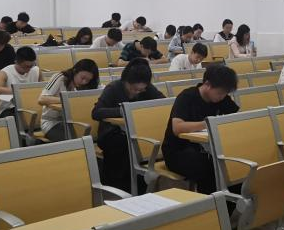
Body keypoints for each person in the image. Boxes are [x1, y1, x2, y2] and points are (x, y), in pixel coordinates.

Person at [163, 64, 239, 194]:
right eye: (220, 93)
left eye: (225, 94)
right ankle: (212, 202)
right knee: (211, 168)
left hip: (207, 150)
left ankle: (231, 202)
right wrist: (208, 124)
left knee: (233, 164)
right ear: (207, 84)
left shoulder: (221, 99)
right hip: (178, 152)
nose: (222, 97)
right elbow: (177, 127)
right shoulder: (187, 97)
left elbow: (236, 118)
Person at [92, 59, 164, 191]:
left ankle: (142, 187)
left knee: (146, 144)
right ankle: (120, 189)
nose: (137, 92)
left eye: (141, 90)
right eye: (134, 89)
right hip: (111, 133)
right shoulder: (113, 88)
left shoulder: (147, 88)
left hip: (136, 132)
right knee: (127, 146)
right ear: (125, 81)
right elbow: (96, 112)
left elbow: (162, 103)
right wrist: (123, 111)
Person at [38, 58, 99, 142]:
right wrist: (67, 100)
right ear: (75, 71)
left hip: (73, 123)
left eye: (88, 80)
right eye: (82, 78)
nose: (84, 82)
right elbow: (41, 99)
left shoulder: (86, 86)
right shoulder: (60, 78)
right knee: (76, 141)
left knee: (94, 136)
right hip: (52, 123)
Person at [0, 46, 40, 115]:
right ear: (16, 62)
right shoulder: (5, 72)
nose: (28, 70)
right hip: (10, 108)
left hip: (30, 106)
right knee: (22, 115)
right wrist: (21, 91)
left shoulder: (35, 70)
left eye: (31, 66)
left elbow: (43, 89)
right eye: (26, 67)